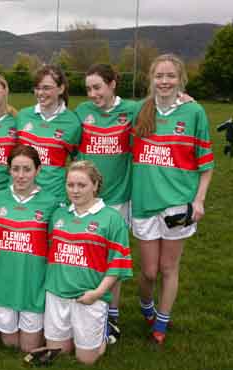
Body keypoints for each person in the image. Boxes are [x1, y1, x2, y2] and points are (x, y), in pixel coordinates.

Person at [131, 54, 214, 344]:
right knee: (149, 272)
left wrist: (200, 201)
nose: (164, 82)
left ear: (181, 80)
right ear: (150, 79)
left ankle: (161, 324)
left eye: (170, 76)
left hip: (178, 203)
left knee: (169, 268)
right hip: (143, 203)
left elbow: (206, 165)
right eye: (159, 76)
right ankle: (145, 305)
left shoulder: (194, 113)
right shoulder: (139, 110)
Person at [44, 160, 132, 365]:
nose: (75, 191)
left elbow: (118, 264)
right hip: (57, 294)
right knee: (59, 354)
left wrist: (98, 293)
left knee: (86, 361)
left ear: (95, 185)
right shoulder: (59, 215)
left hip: (89, 296)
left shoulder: (111, 219)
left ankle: (103, 330)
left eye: (81, 185)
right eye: (70, 185)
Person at [76, 63, 138, 339]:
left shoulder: (132, 110)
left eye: (97, 87)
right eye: (88, 89)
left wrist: (186, 98)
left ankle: (111, 315)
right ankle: (85, 306)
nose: (92, 94)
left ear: (113, 84)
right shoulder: (82, 113)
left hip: (116, 199)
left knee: (113, 259)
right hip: (84, 199)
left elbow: (161, 106)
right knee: (87, 257)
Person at [0, 145, 58, 352]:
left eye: (27, 169)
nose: (20, 175)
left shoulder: (51, 203)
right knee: (11, 345)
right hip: (3, 282)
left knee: (28, 348)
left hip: (33, 283)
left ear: (38, 170)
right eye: (16, 169)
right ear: (9, 170)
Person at [16, 65, 82, 200]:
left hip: (54, 197)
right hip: (22, 194)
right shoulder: (23, 116)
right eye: (37, 88)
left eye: (46, 88)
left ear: (61, 89)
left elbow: (77, 160)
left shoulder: (73, 122)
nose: (40, 93)